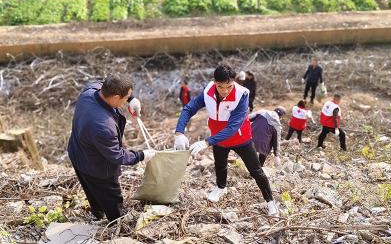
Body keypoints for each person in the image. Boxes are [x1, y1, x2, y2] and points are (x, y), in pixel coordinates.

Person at [173, 64, 279, 216]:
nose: (224, 91)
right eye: (220, 86)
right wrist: (179, 132)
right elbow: (189, 108)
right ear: (215, 82)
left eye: (229, 86)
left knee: (256, 171)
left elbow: (232, 128)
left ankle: (270, 202)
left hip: (240, 138)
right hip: (219, 139)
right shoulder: (208, 91)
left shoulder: (242, 95)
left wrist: (206, 142)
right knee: (220, 165)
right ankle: (221, 187)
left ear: (234, 82)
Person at [67, 76, 156, 223]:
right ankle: (116, 221)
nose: (126, 100)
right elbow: (117, 155)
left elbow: (101, 81)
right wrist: (141, 155)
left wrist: (131, 99)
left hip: (78, 153)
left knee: (92, 190)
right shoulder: (103, 126)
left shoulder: (89, 92)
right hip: (98, 166)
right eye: (125, 97)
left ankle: (98, 214)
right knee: (110, 196)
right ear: (115, 97)